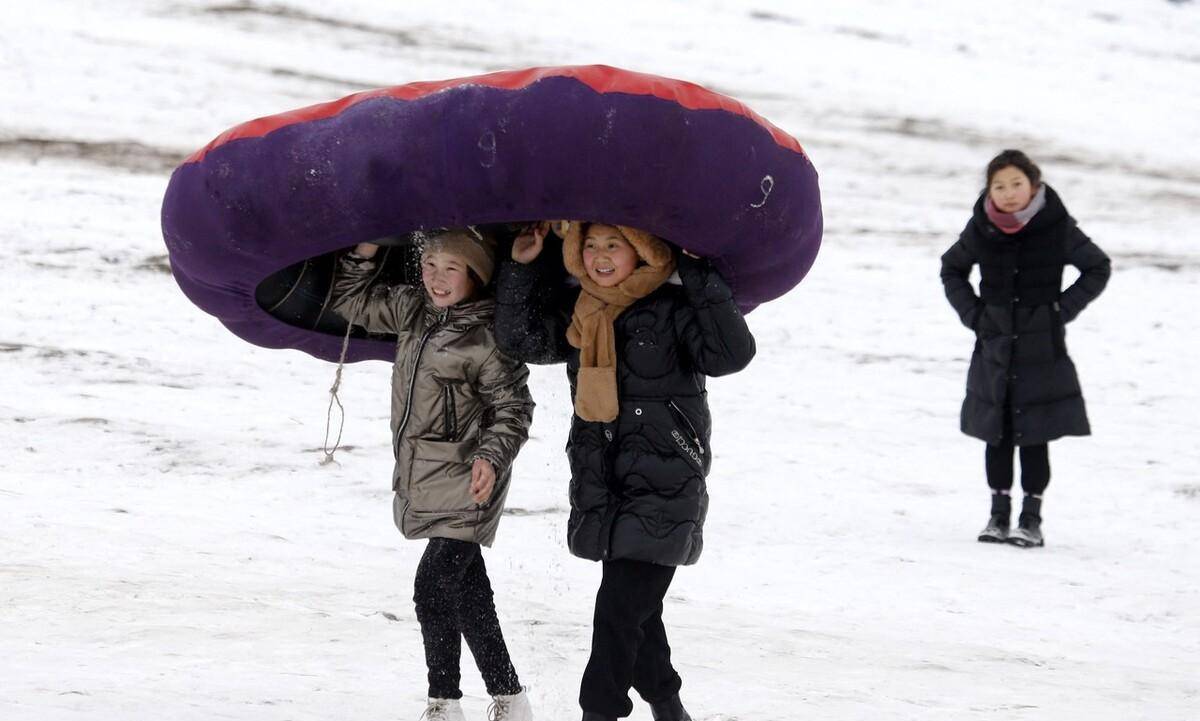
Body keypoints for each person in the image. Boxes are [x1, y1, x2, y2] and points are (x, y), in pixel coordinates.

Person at [494, 221, 756, 721]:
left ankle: (599, 711)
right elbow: (522, 341)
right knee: (636, 613)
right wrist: (521, 266)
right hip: (606, 481)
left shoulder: (675, 309)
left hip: (665, 482)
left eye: (614, 244)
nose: (600, 255)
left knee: (618, 613)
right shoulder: (583, 312)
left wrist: (695, 269)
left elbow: (731, 355)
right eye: (589, 245)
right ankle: (668, 706)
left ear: (643, 251)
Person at [330, 229, 536, 720]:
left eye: (451, 269)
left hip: (470, 476)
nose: (436, 279)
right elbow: (351, 301)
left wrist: (491, 455)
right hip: (423, 474)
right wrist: (366, 249)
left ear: (475, 275)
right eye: (430, 265)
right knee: (469, 595)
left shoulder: (489, 337)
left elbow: (513, 407)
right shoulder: (412, 310)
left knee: (432, 586)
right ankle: (511, 702)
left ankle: (443, 704)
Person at [941, 150, 1110, 548]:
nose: (1009, 193)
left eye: (1017, 184)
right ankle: (998, 515)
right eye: (999, 186)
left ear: (1033, 185)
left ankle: (1031, 518)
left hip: (1041, 346)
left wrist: (1059, 311)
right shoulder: (982, 226)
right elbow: (952, 268)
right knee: (995, 431)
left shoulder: (1056, 225)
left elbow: (1097, 266)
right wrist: (975, 315)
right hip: (994, 343)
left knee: (1036, 432)